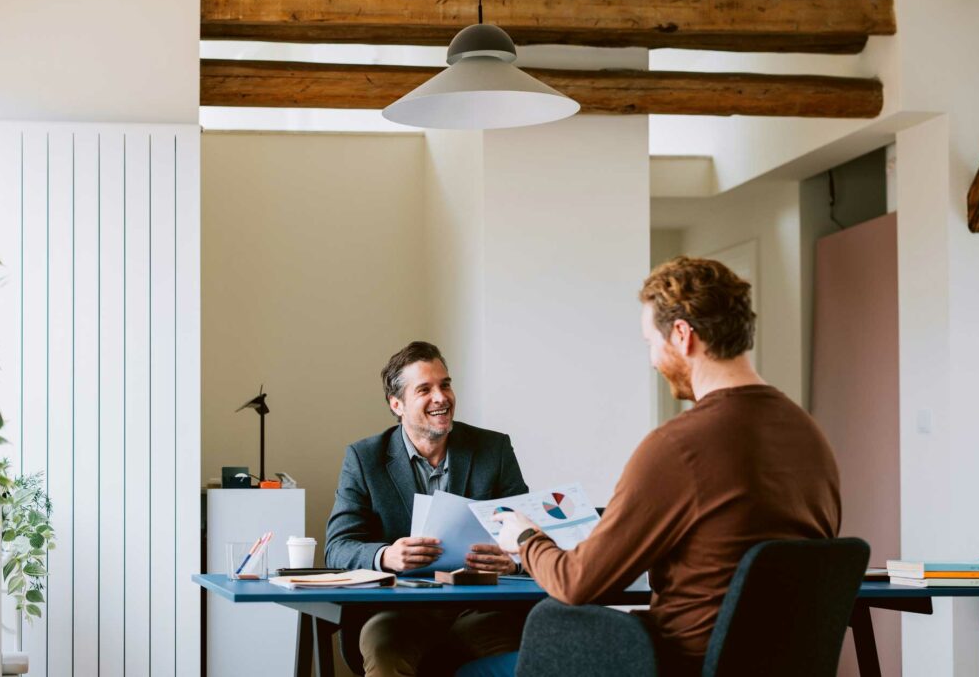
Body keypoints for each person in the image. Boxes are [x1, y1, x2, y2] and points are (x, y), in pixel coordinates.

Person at [493, 257, 842, 677]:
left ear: (681, 334)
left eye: (649, 343)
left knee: (526, 637)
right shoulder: (810, 436)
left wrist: (526, 537)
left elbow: (576, 582)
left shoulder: (677, 448)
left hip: (680, 665)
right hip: (783, 666)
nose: (653, 360)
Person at [326, 341, 529, 677]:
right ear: (397, 404)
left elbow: (524, 530)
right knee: (384, 649)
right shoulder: (364, 459)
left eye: (445, 384)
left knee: (532, 653)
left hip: (479, 608)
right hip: (398, 612)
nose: (441, 397)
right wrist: (386, 556)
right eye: (425, 389)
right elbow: (338, 547)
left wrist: (513, 559)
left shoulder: (493, 449)